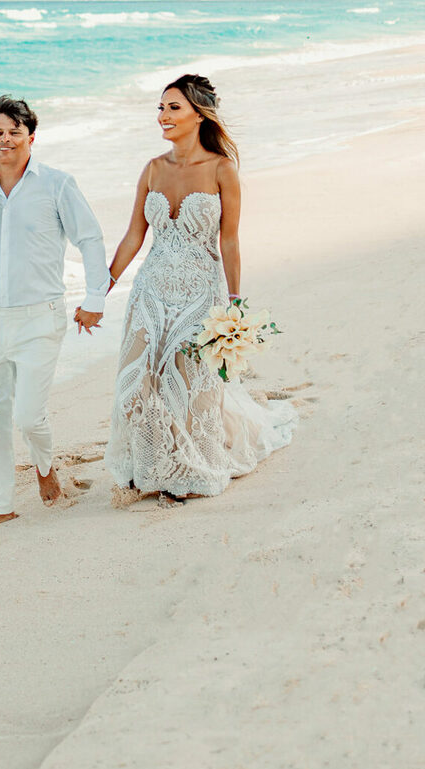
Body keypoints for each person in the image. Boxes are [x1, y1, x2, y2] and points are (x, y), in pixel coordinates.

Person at [102, 75, 295, 503]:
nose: (163, 116)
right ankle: (145, 465)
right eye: (160, 108)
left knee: (189, 382)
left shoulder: (222, 169)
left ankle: (190, 467)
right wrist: (104, 286)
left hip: (198, 290)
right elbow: (135, 235)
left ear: (198, 114)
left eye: (173, 108)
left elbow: (229, 239)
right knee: (140, 378)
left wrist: (234, 303)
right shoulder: (153, 168)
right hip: (151, 291)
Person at [0, 95, 110, 529]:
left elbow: (89, 238)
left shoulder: (56, 184)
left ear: (31, 138)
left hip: (40, 318)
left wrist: (95, 298)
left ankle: (45, 466)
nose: (5, 140)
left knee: (28, 416)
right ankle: (2, 506)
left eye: (14, 132)